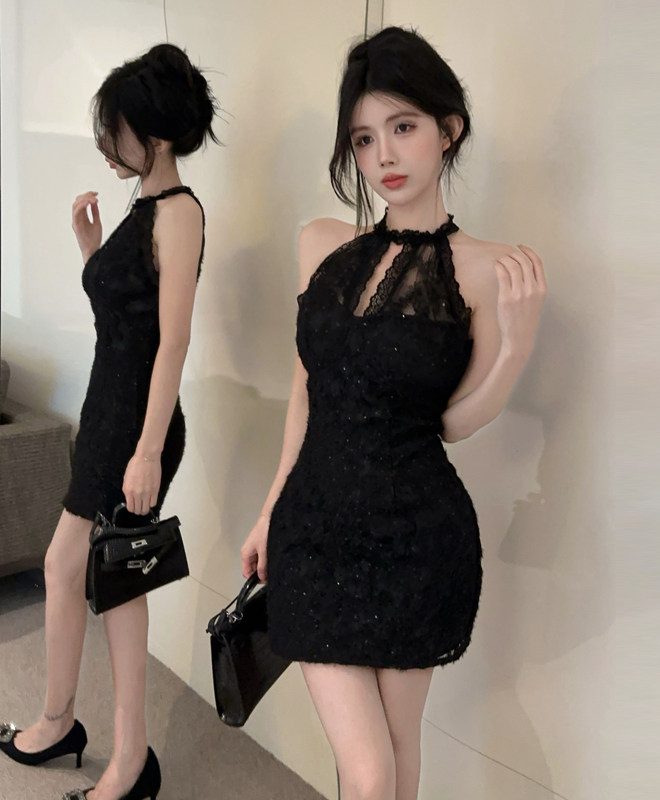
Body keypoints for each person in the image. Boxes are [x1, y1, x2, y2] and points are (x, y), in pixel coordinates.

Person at [240, 26, 546, 800]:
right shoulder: (320, 244)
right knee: (371, 771)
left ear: (450, 128)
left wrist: (514, 350)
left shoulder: (488, 270)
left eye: (403, 127)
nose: (384, 156)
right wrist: (271, 510)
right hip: (313, 529)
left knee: (398, 756)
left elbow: (451, 422)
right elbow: (306, 392)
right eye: (365, 138)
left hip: (418, 540)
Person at [0, 43, 217, 800]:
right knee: (65, 569)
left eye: (114, 129)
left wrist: (149, 449)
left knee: (118, 585)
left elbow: (173, 341)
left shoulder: (180, 212)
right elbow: (125, 324)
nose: (105, 143)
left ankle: (130, 761)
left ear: (152, 132)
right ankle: (60, 720)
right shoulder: (144, 211)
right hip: (108, 417)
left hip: (135, 430)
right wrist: (92, 252)